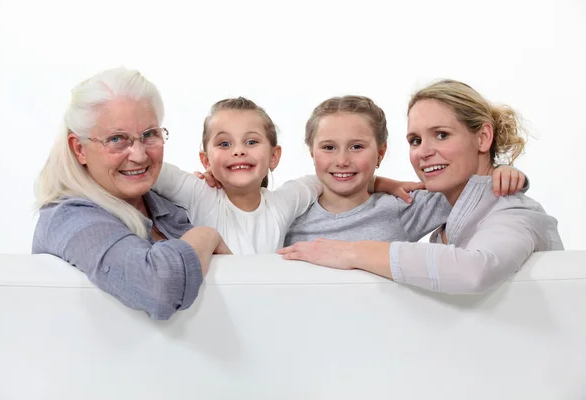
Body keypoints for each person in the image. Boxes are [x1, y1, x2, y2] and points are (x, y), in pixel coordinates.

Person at [279, 80, 563, 294]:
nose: (424, 152)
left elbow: (475, 269)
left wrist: (350, 252)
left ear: (483, 137)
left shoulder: (512, 209)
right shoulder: (451, 205)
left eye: (441, 135)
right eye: (415, 140)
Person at [32, 67, 229, 320]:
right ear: (79, 148)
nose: (139, 155)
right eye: (116, 139)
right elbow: (159, 287)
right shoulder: (66, 218)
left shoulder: (163, 203)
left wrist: (221, 192)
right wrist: (205, 236)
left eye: (149, 135)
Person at [152, 97, 419, 254]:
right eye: (224, 144)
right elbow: (150, 164)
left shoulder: (283, 203)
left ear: (274, 156)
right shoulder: (200, 194)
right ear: (205, 159)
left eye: (251, 142)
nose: (238, 152)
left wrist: (380, 182)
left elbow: (336, 173)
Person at [285, 95, 525, 246]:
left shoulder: (402, 206)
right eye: (329, 147)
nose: (342, 160)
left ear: (380, 153)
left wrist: (499, 172)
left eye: (357, 146)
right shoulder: (292, 211)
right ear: (312, 153)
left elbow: (468, 190)